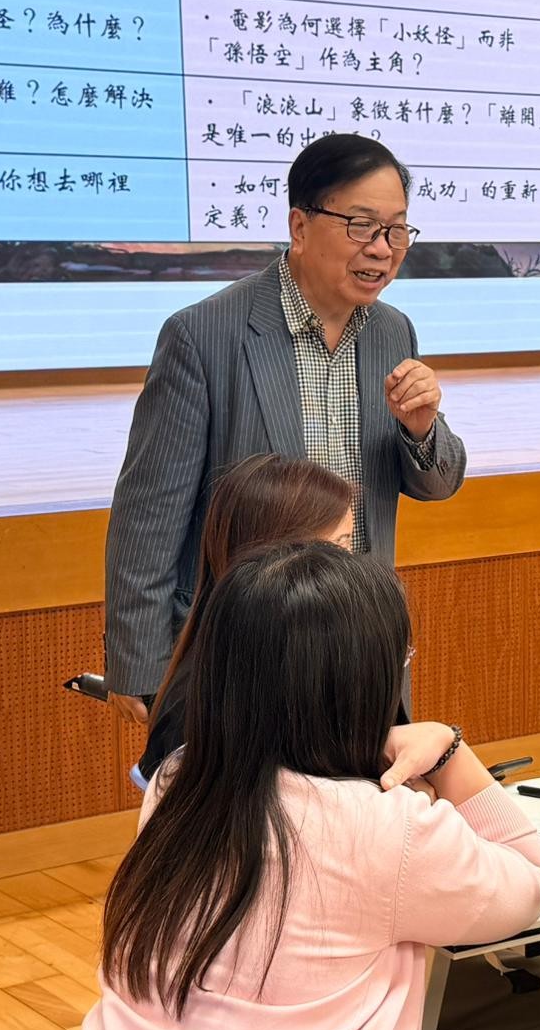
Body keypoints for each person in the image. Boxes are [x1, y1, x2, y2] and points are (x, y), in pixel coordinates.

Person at [74, 542, 540, 1030]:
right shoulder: (383, 828)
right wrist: (450, 750)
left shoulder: (177, 779)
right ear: (359, 684)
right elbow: (528, 881)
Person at [103, 133, 467, 724]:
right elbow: (148, 515)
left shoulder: (392, 331)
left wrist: (422, 430)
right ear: (300, 226)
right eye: (361, 226)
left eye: (397, 230)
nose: (382, 250)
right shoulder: (203, 335)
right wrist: (139, 664)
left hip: (360, 648)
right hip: (247, 653)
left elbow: (438, 484)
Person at [138, 453, 354, 781]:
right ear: (276, 557)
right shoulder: (203, 710)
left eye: (348, 543)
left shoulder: (316, 652)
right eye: (338, 545)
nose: (352, 563)